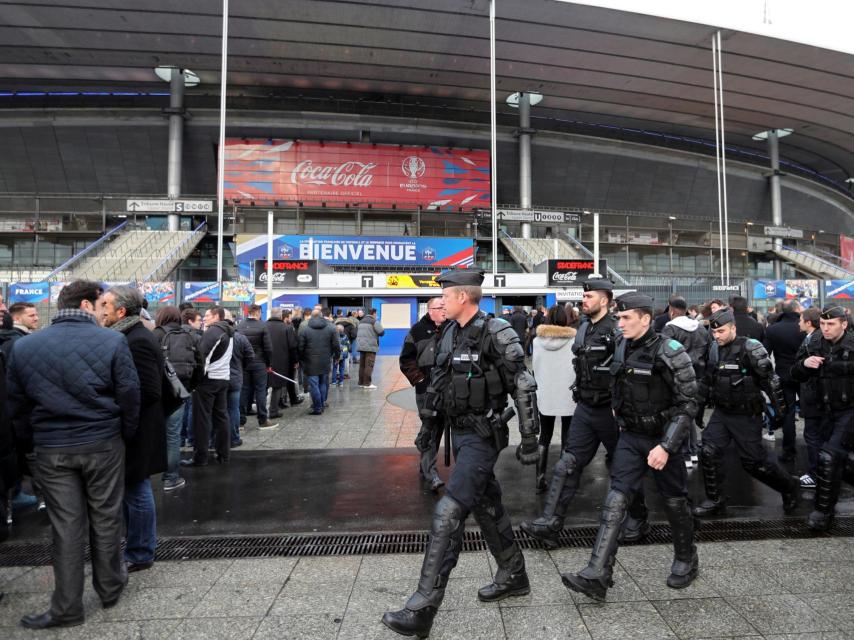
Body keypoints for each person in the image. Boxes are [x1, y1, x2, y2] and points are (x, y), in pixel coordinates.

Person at [381, 269, 540, 639]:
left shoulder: (496, 332)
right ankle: (514, 574)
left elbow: (524, 385)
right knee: (487, 505)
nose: (441, 301)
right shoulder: (450, 331)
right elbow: (438, 381)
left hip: (483, 436)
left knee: (448, 512)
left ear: (463, 298)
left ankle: (422, 607)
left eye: (446, 295)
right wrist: (428, 431)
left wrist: (530, 438)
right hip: (459, 432)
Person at [6, 280, 140, 629]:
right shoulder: (112, 341)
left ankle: (66, 607)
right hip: (102, 442)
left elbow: (16, 406)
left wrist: (30, 445)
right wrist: (123, 434)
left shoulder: (25, 347)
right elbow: (129, 395)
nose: (102, 311)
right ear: (85, 305)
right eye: (100, 304)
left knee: (65, 527)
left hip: (51, 447)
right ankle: (109, 586)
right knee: (107, 516)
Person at [561, 292, 699, 602]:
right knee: (615, 500)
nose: (619, 323)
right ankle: (597, 574)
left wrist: (666, 446)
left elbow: (689, 402)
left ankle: (687, 559)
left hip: (663, 441)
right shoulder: (623, 345)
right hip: (630, 437)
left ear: (646, 319)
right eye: (619, 317)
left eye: (626, 318)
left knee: (675, 501)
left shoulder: (670, 351)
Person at [522, 278, 649, 548]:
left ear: (605, 301)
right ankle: (550, 523)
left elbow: (628, 372)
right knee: (566, 465)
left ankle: (638, 520)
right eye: (584, 296)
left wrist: (623, 410)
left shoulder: (616, 331)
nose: (585, 300)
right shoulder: (582, 330)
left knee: (624, 468)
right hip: (585, 409)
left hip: (610, 413)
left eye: (590, 296)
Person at [693, 308, 797, 517]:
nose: (717, 336)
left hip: (746, 414)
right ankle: (716, 500)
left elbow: (771, 381)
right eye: (714, 332)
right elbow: (706, 382)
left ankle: (789, 487)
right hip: (722, 413)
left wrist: (779, 412)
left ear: (733, 327)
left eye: (721, 331)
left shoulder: (751, 348)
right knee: (708, 452)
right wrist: (698, 408)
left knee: (754, 463)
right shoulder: (714, 349)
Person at [100, 285, 167, 573]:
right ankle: (137, 546)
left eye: (106, 305)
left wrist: (124, 415)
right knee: (132, 488)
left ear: (121, 311)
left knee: (137, 488)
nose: (102, 311)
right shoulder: (130, 335)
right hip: (137, 425)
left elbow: (149, 390)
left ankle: (140, 551)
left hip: (139, 428)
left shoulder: (136, 339)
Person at [791, 304, 854, 531]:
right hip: (824, 411)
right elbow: (794, 373)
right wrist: (805, 365)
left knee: (829, 458)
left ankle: (822, 512)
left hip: (850, 411)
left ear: (843, 324)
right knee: (837, 463)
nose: (825, 328)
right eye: (823, 324)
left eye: (831, 324)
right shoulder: (813, 342)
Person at [399, 297, 447, 491]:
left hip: (448, 389)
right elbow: (406, 359)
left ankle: (425, 465)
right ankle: (431, 473)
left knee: (439, 428)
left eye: (445, 307)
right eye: (440, 307)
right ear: (430, 310)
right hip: (426, 390)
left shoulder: (452, 328)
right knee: (430, 428)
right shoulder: (417, 330)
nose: (444, 310)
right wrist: (419, 379)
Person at [154, 305, 202, 491]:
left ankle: (147, 473)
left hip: (156, 391)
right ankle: (171, 478)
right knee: (173, 436)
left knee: (152, 433)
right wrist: (189, 388)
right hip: (179, 392)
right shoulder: (189, 336)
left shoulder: (154, 335)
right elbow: (200, 364)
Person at [530, 304, 576, 493]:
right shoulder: (574, 341)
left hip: (545, 393)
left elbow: (535, 366)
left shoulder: (536, 341)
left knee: (544, 438)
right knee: (567, 438)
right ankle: (563, 478)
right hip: (567, 394)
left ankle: (540, 478)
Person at [661, 297, 710, 467]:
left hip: (678, 377)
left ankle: (686, 453)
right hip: (698, 375)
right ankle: (693, 450)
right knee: (689, 412)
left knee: (680, 414)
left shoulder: (670, 329)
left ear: (672, 310)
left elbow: (665, 354)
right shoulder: (701, 328)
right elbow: (708, 351)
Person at [182, 306, 234, 466]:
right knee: (221, 417)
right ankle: (223, 454)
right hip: (223, 378)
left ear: (217, 316)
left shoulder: (213, 332)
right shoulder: (230, 331)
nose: (204, 318)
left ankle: (200, 457)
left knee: (201, 419)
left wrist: (195, 381)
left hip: (208, 381)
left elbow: (202, 358)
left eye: (208, 315)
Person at [764, 300, 804, 461]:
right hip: (805, 373)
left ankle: (789, 450)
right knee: (813, 412)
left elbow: (765, 352)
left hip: (783, 374)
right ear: (796, 309)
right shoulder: (804, 327)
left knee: (788, 412)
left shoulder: (773, 330)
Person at [793, 308, 826, 488]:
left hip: (814, 397)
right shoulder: (812, 339)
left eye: (800, 319)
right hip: (814, 396)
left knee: (813, 435)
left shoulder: (815, 341)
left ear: (808, 322)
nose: (798, 323)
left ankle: (816, 474)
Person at [237, 304, 278, 429]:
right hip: (259, 363)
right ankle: (263, 420)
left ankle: (240, 422)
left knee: (243, 391)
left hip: (244, 364)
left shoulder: (239, 326)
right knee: (261, 391)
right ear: (258, 312)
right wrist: (269, 364)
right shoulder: (262, 326)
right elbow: (268, 348)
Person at [298, 308, 340, 415]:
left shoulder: (305, 329)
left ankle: (317, 407)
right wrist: (336, 357)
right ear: (321, 315)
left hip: (310, 361)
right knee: (323, 383)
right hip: (325, 360)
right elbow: (336, 345)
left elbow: (300, 347)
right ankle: (321, 403)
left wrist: (301, 359)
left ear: (311, 316)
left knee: (314, 385)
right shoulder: (331, 328)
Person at [224, 309, 254, 446]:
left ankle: (217, 439)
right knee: (233, 408)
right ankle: (234, 438)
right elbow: (250, 356)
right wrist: (241, 367)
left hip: (217, 378)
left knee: (218, 409)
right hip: (235, 377)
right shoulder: (240, 337)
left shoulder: (212, 335)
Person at [266, 308, 298, 417]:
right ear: (281, 316)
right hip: (282, 361)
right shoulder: (287, 328)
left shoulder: (263, 326)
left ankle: (262, 411)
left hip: (264, 360)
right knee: (277, 386)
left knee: (263, 387)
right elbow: (292, 347)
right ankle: (273, 410)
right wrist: (295, 361)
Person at [356, 308, 384, 389]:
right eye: (376, 314)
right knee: (369, 365)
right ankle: (367, 383)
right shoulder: (373, 321)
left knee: (362, 365)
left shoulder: (361, 321)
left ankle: (361, 382)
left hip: (361, 346)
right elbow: (381, 332)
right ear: (374, 313)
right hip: (370, 347)